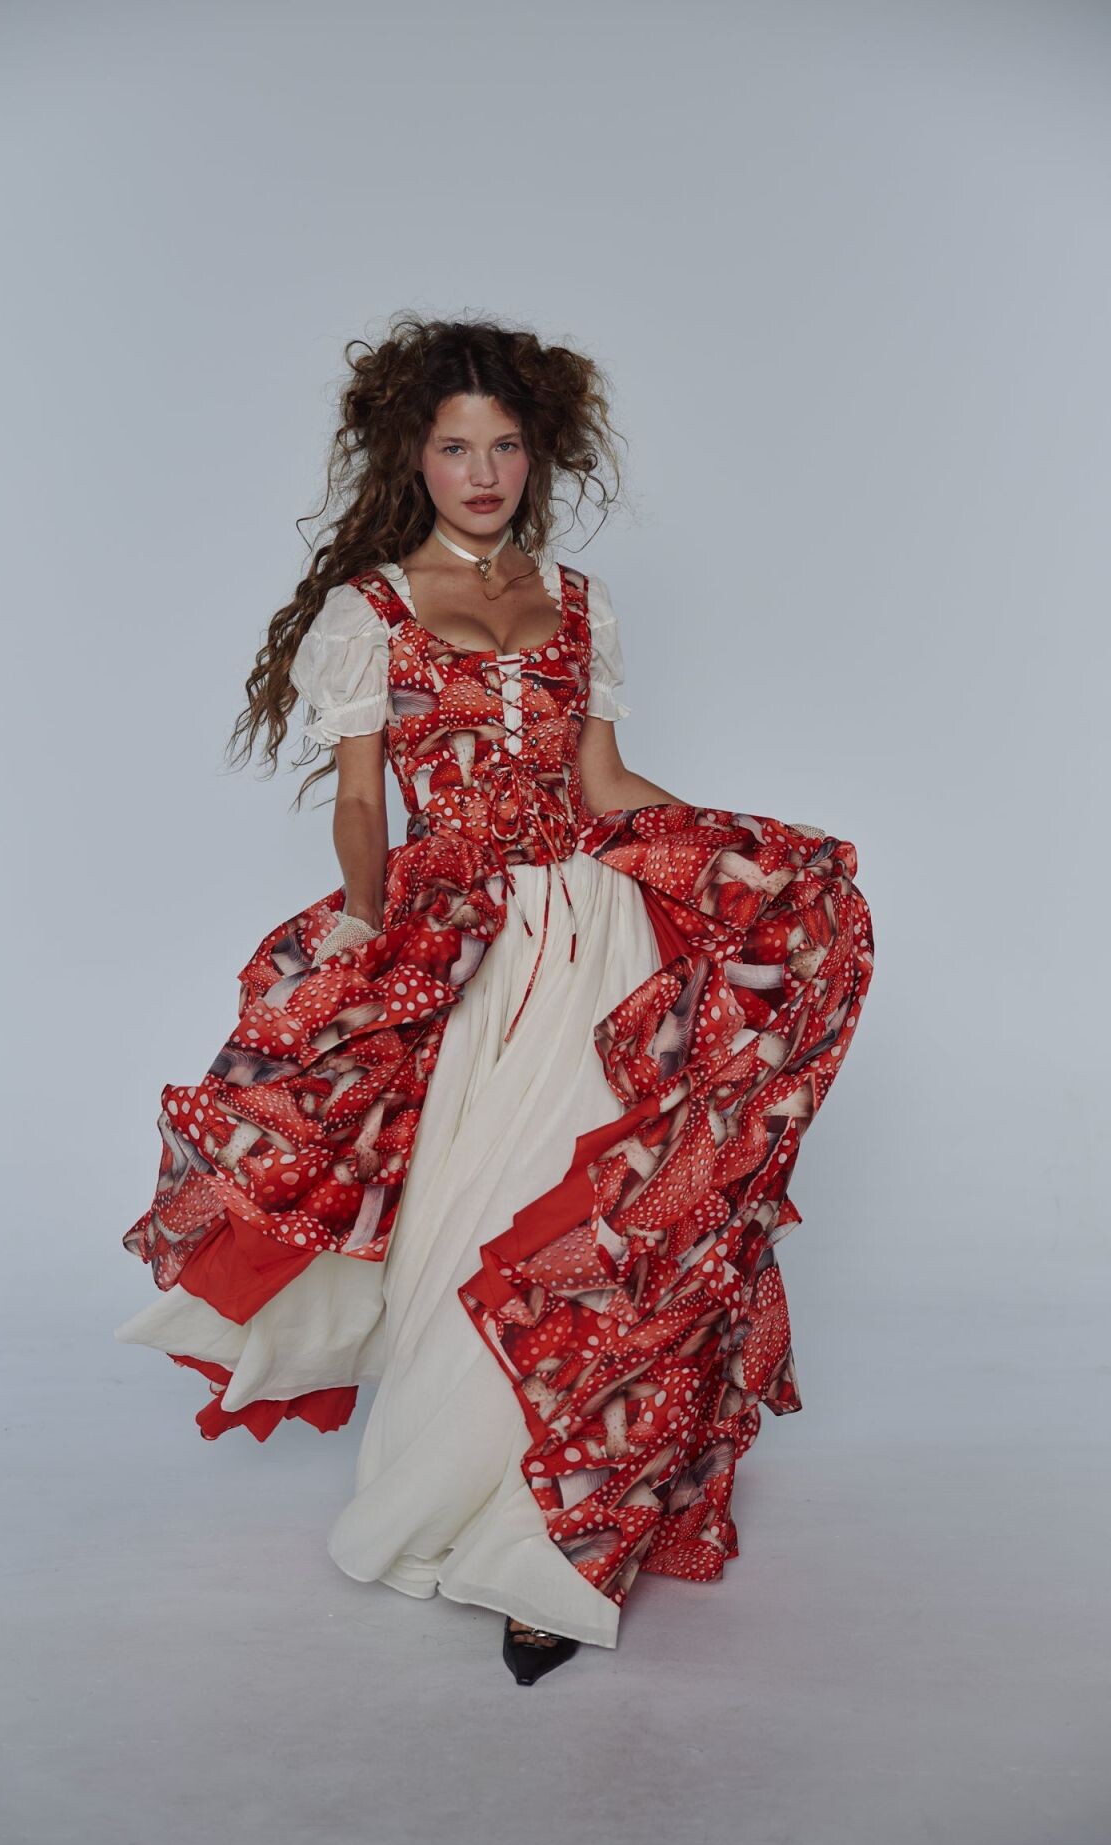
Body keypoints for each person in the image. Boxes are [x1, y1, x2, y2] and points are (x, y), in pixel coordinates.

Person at [116, 313, 874, 1686]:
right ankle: (448, 1498)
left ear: (538, 454)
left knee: (592, 1218)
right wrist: (367, 924)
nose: (482, 472)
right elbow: (362, 804)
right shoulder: (370, 612)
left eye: (505, 446)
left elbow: (603, 785)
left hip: (602, 938)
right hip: (473, 945)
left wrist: (736, 856)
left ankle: (544, 1551)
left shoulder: (578, 600)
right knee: (474, 1227)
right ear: (414, 455)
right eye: (456, 446)